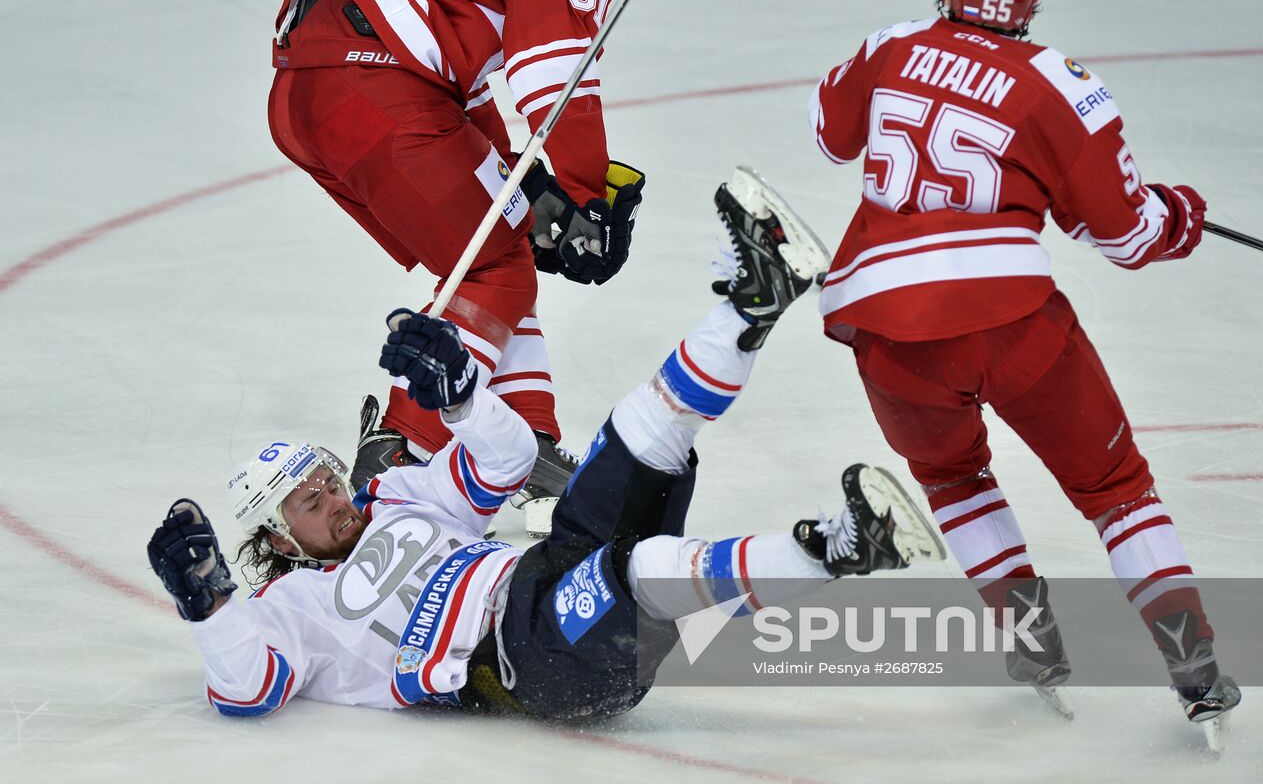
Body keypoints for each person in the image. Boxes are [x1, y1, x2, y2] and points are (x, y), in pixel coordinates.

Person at [146, 170, 943, 719]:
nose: (331, 494)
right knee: (638, 573)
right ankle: (840, 548)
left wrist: (461, 398)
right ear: (279, 534)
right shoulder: (287, 608)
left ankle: (748, 305)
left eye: (325, 475)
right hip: (520, 661)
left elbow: (505, 463)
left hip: (546, 572)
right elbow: (246, 691)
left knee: (640, 429)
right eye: (306, 500)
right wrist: (206, 603)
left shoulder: (398, 497)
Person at [806, 0, 1239, 736]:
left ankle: (1029, 639)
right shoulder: (1057, 84)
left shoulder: (891, 43)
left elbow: (829, 135)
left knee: (953, 480)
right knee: (1116, 492)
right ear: (1027, 7)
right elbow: (1125, 237)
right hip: (1010, 322)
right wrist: (1175, 215)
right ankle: (1191, 659)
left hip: (884, 329)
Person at [266, 0, 655, 532]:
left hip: (316, 90)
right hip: (368, 84)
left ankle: (526, 438)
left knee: (499, 236)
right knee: (497, 260)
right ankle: (402, 443)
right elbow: (555, 74)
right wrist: (582, 197)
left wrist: (528, 185)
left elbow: (457, 72)